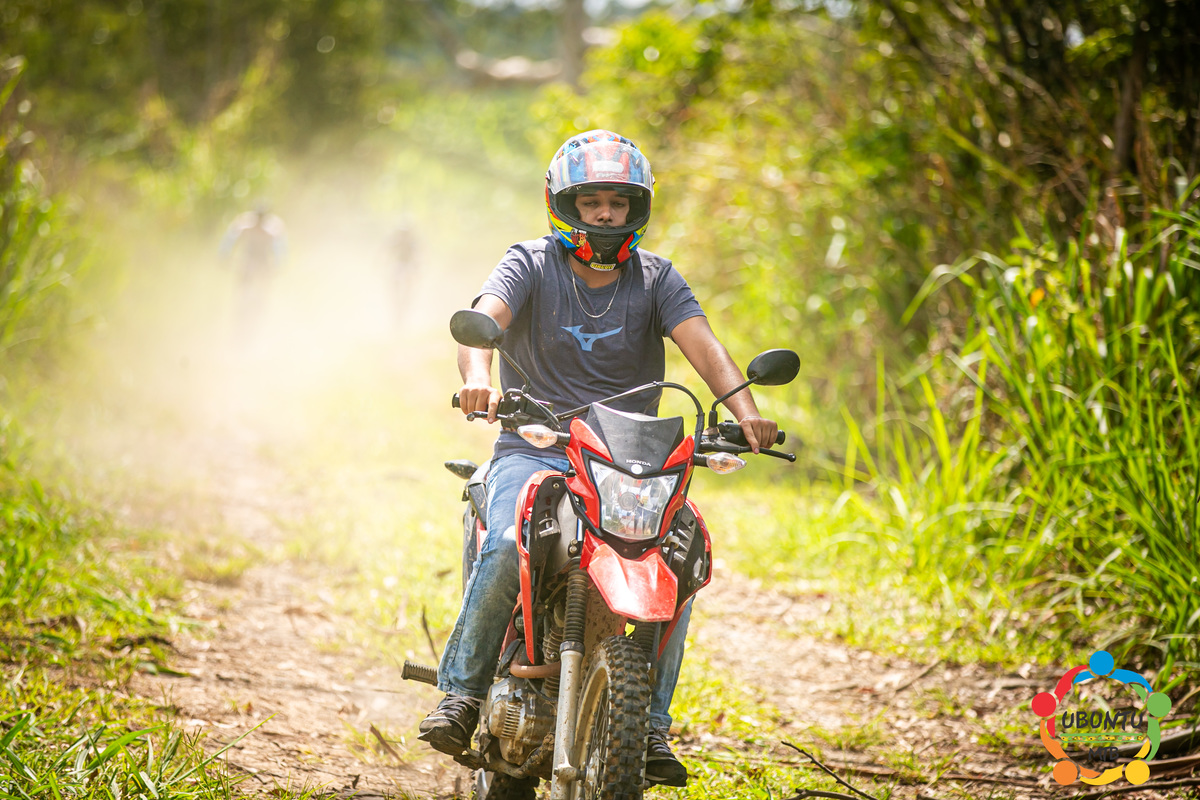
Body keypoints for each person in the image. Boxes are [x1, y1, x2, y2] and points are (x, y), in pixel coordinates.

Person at [420, 130, 779, 787]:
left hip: (629, 462)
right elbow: (482, 322)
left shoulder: (657, 278)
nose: (607, 215)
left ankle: (650, 726)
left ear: (637, 208)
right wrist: (478, 380)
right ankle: (462, 693)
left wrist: (745, 410)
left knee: (683, 554)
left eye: (619, 202)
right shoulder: (529, 263)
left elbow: (706, 346)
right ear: (565, 204)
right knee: (508, 542)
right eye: (593, 203)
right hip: (537, 447)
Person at [218, 200, 288, 344]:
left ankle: (258, 320)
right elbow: (230, 240)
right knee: (242, 292)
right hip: (248, 261)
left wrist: (278, 265)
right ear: (255, 215)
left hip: (263, 263)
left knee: (262, 294)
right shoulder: (244, 223)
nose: (259, 221)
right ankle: (239, 321)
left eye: (262, 218)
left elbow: (279, 248)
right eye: (258, 217)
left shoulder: (273, 227)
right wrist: (224, 255)